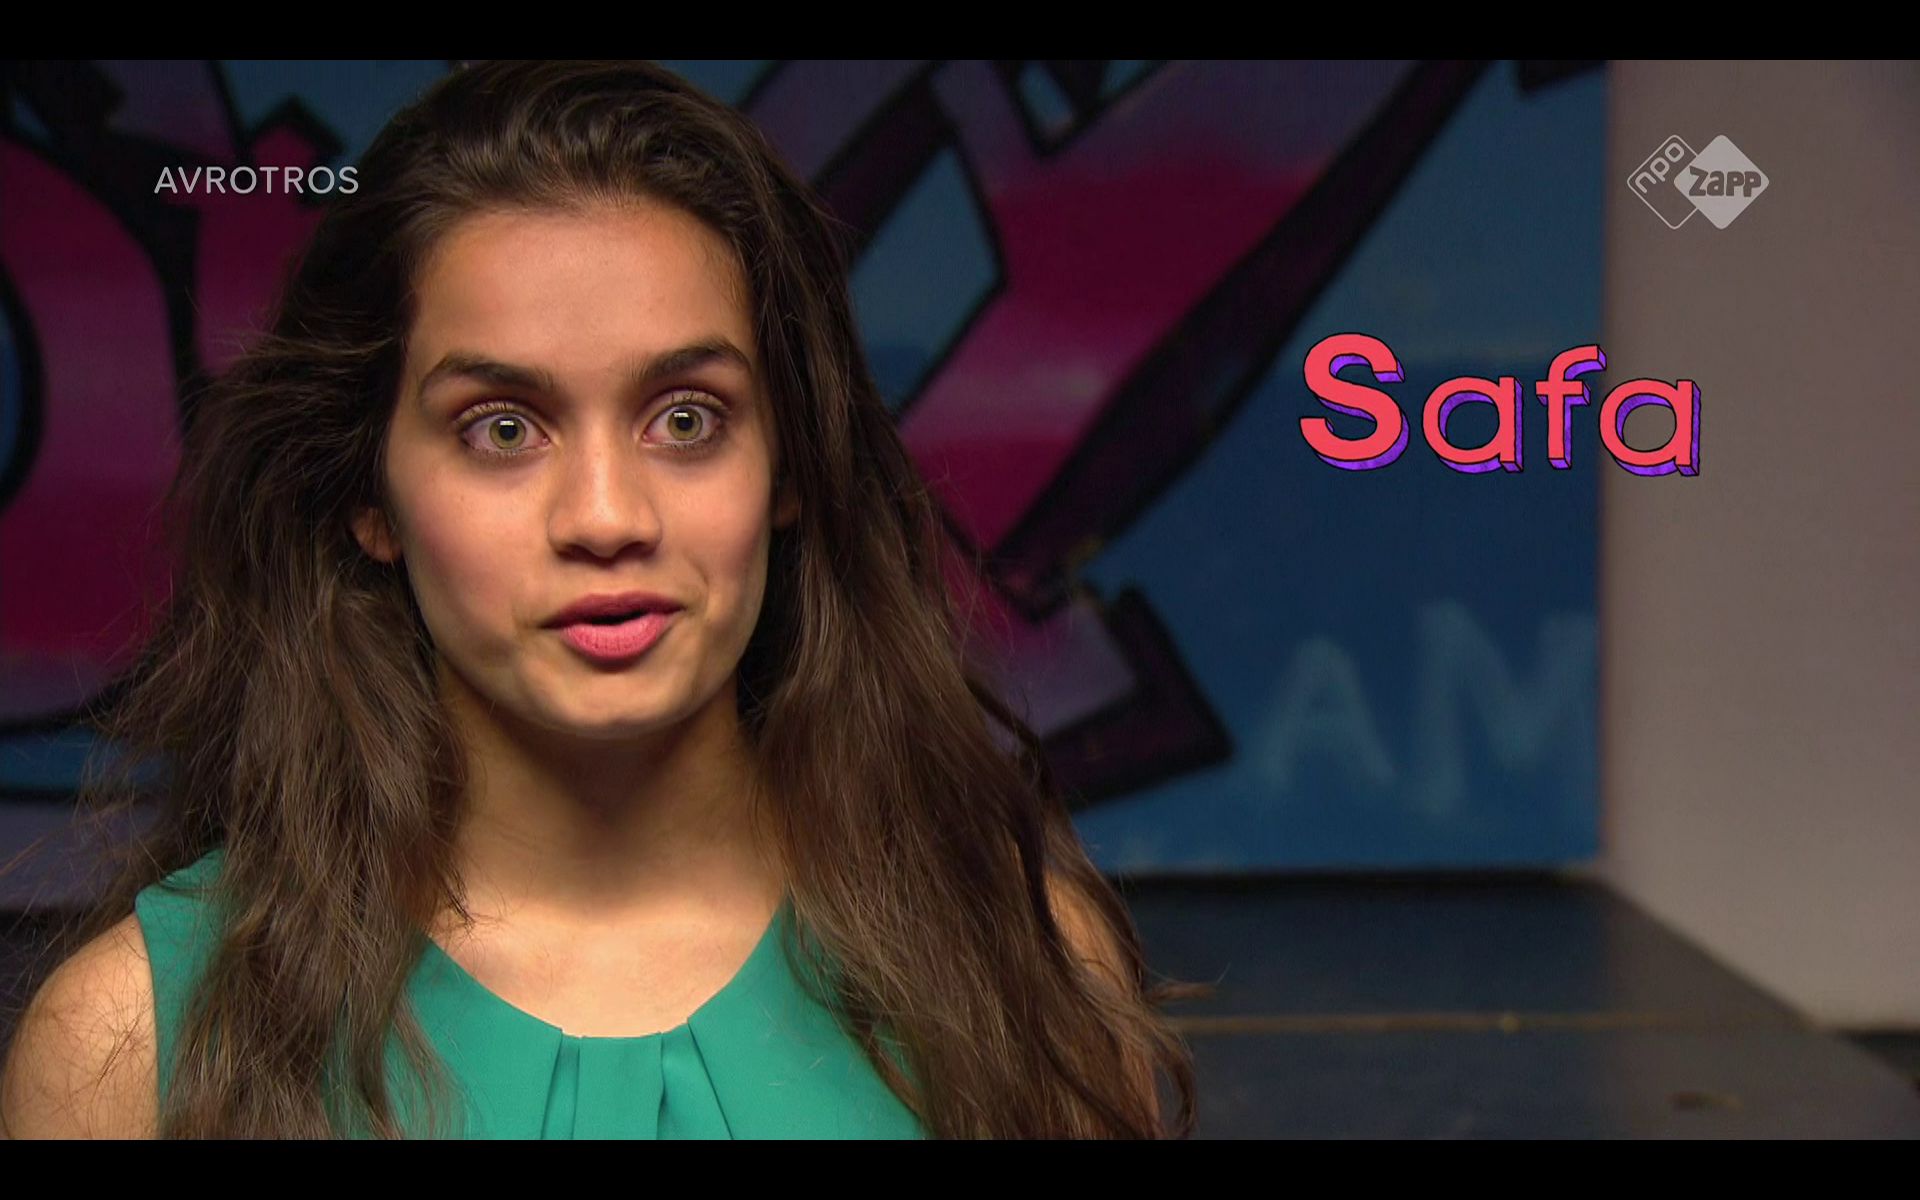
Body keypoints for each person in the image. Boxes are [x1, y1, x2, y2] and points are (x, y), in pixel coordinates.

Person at [0, 59, 1203, 1139]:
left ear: (788, 466)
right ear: (371, 495)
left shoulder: (1022, 975)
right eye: (501, 428)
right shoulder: (132, 1046)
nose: (607, 515)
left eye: (687, 419)